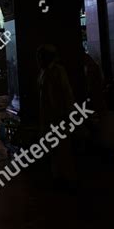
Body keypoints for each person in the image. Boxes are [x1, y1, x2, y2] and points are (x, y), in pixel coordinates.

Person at [37, 44, 76, 188]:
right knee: (57, 149)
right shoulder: (47, 72)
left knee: (62, 149)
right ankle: (59, 176)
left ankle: (65, 178)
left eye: (41, 57)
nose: (39, 60)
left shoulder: (55, 72)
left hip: (58, 116)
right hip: (51, 116)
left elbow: (66, 94)